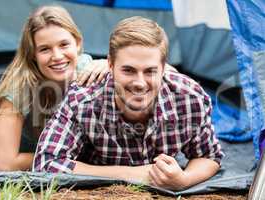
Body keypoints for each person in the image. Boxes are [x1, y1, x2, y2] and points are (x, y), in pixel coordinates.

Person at [33, 16, 223, 191]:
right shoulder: (82, 101)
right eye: (129, 70)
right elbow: (46, 163)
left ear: (164, 68)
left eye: (150, 71)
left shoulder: (189, 98)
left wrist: (184, 179)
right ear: (110, 65)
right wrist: (133, 174)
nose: (139, 83)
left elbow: (208, 156)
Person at [0, 5, 108, 171]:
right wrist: (56, 159)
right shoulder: (18, 89)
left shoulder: (89, 69)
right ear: (33, 54)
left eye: (64, 45)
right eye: (45, 49)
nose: (57, 56)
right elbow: (5, 163)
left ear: (78, 44)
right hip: (28, 142)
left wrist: (109, 65)